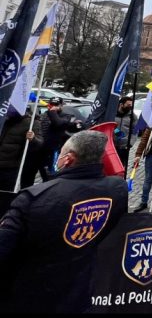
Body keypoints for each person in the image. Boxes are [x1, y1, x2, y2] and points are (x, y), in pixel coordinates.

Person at [0, 130, 128, 313]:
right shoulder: (118, 188)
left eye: (60, 154)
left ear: (68, 159)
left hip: (30, 294)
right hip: (79, 292)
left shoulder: (33, 198)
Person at [0, 110, 43, 191]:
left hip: (10, 167)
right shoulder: (3, 118)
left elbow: (39, 143)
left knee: (5, 195)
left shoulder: (31, 123)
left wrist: (33, 139)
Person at [39, 97, 82, 174]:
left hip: (54, 149)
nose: (54, 106)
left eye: (56, 105)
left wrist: (53, 112)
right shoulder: (44, 115)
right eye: (52, 104)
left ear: (61, 105)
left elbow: (58, 124)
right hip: (41, 149)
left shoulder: (65, 116)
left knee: (53, 172)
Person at [132, 124, 152, 213]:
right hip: (151, 156)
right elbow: (144, 140)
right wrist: (138, 155)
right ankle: (144, 202)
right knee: (148, 180)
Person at [114, 96, 135, 170]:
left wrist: (130, 143)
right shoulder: (112, 113)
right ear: (121, 104)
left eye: (131, 105)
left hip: (124, 147)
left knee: (121, 167)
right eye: (128, 105)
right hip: (112, 146)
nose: (130, 106)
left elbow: (135, 130)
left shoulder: (132, 116)